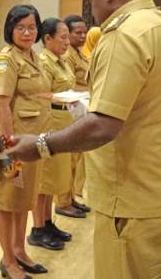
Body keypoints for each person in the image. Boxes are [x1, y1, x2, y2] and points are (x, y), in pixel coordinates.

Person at [5, 0, 161, 279]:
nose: (91, 10)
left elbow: (103, 124)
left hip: (137, 202)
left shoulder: (124, 36)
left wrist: (40, 144)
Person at [0, 4, 52, 279]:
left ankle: (19, 250)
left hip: (34, 143)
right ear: (10, 29)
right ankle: (8, 260)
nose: (28, 33)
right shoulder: (7, 60)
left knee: (24, 198)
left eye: (32, 27)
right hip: (13, 144)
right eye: (21, 27)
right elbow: (2, 104)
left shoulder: (33, 56)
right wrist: (9, 145)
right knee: (8, 200)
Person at [32, 18, 80, 244]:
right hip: (49, 123)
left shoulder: (62, 61)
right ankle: (38, 227)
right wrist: (64, 97)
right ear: (47, 38)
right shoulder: (43, 61)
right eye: (62, 36)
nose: (67, 41)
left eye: (66, 36)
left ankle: (48, 222)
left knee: (55, 179)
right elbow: (38, 94)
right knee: (44, 180)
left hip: (64, 122)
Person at [56, 14, 91, 216]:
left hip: (81, 109)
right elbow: (67, 84)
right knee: (68, 160)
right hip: (70, 110)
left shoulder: (79, 53)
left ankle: (71, 197)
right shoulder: (67, 55)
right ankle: (62, 201)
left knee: (76, 157)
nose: (83, 35)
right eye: (78, 32)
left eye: (84, 32)